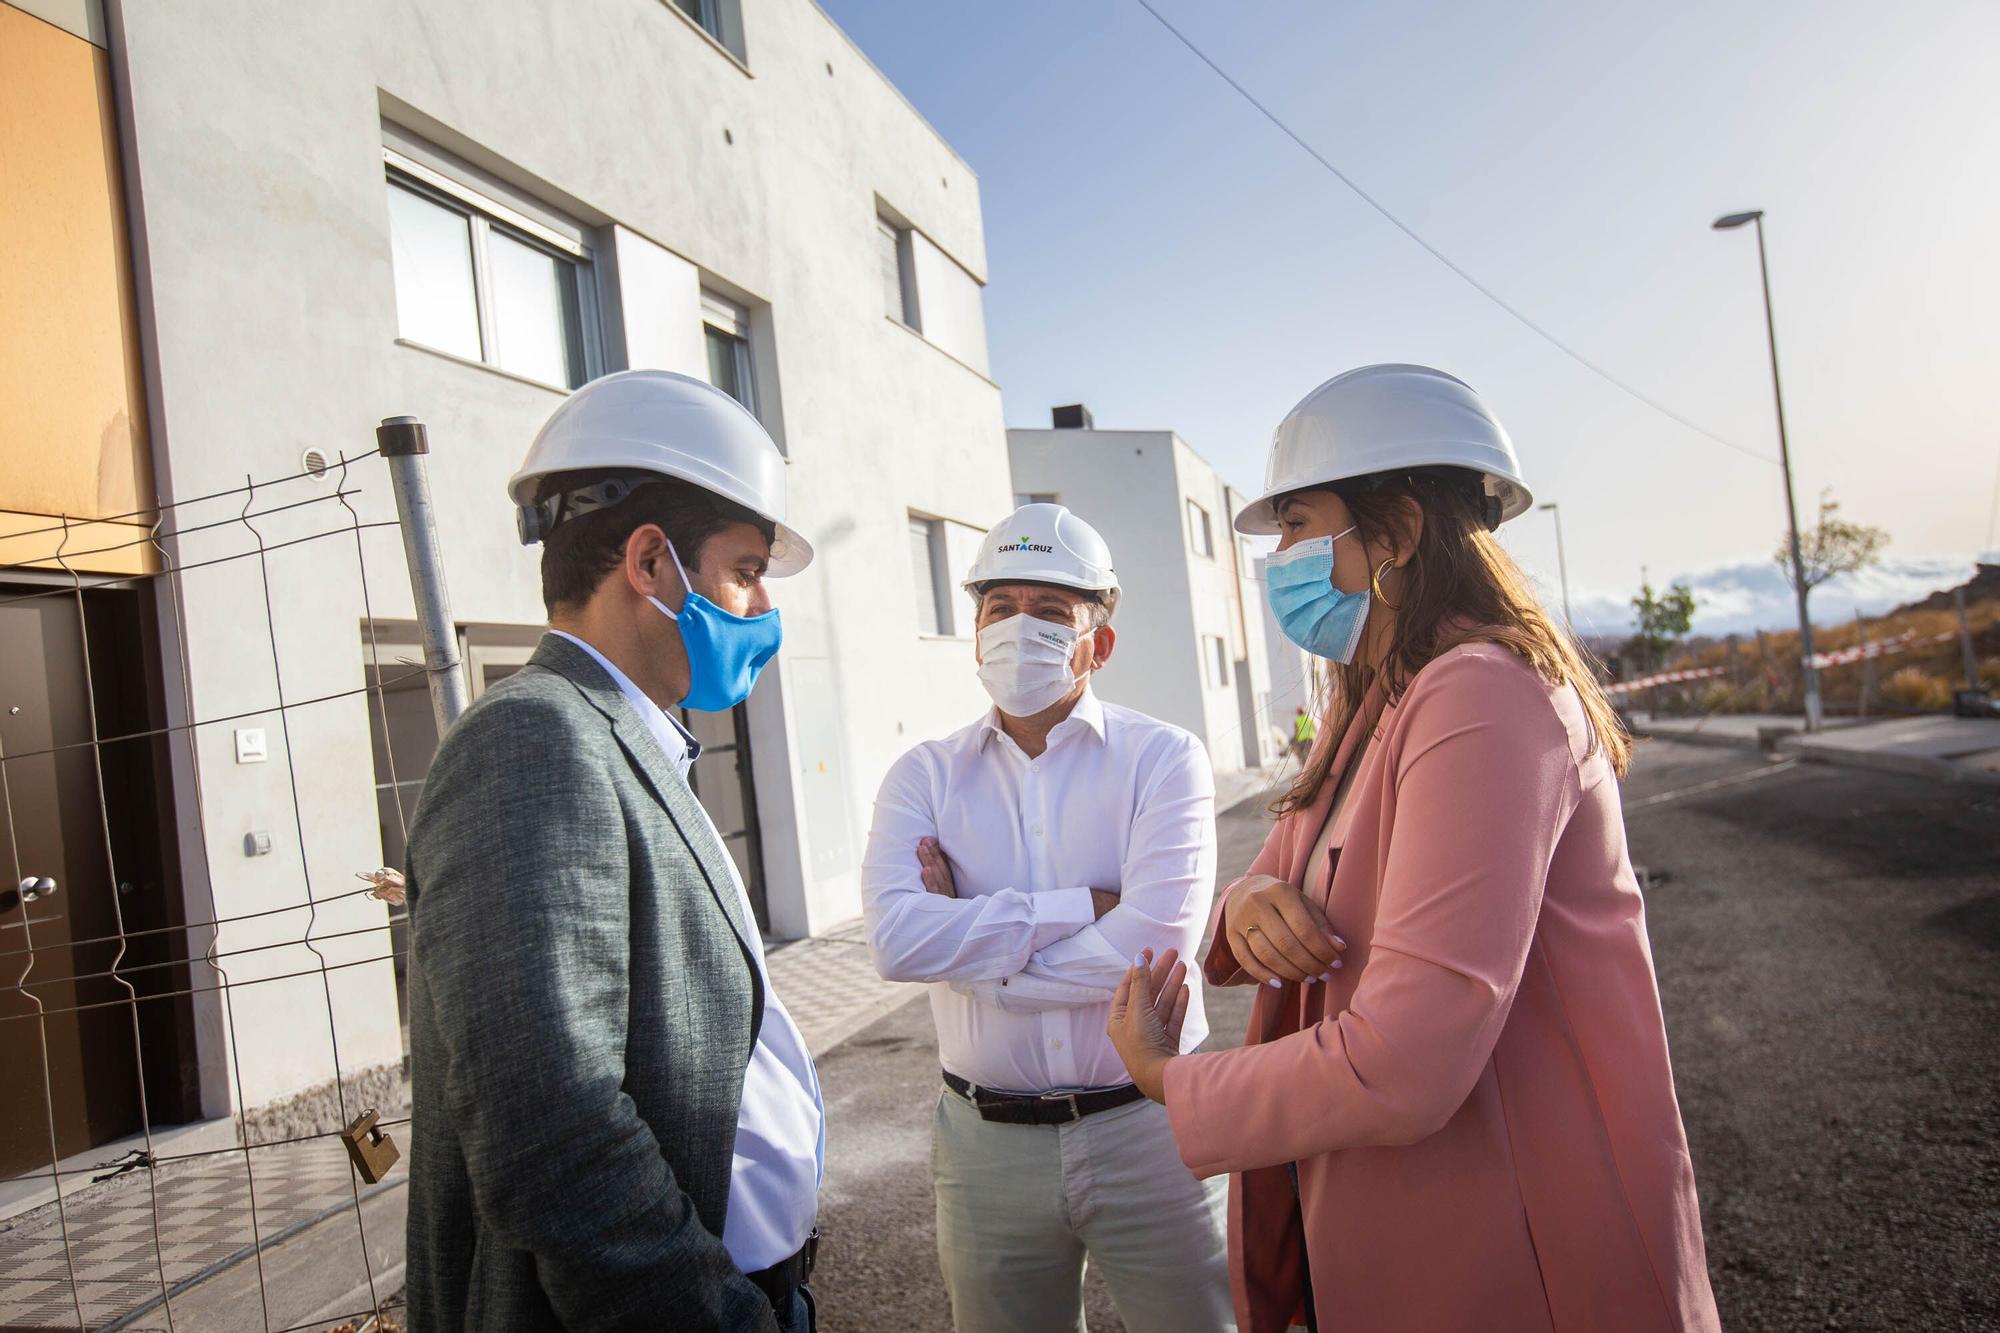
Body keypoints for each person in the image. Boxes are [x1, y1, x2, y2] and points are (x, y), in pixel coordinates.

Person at [1107, 364, 1721, 1332]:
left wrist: (1167, 1078)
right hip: (1408, 1222)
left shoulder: (1477, 692)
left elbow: (1403, 1063)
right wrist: (1242, 904)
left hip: (1515, 1250)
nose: (1281, 558)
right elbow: (1284, 866)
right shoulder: (1374, 692)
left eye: (1300, 525)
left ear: (1393, 528)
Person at [404, 370, 823, 1332]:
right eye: (747, 567)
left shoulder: (620, 737)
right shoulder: (533, 741)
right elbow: (555, 1130)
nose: (761, 607)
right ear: (649, 561)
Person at [861, 503, 1235, 1333]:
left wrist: (972, 944)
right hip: (986, 1145)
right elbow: (895, 940)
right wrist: (1079, 911)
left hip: (1152, 1129)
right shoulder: (922, 776)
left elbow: (1157, 949)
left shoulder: (1165, 759)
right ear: (976, 634)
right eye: (1001, 607)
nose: (1018, 627)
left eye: (1051, 611)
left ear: (1097, 643)